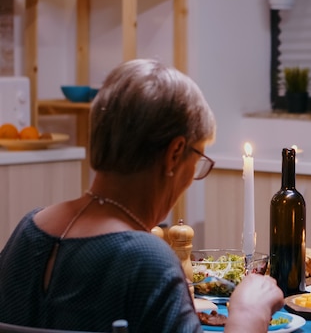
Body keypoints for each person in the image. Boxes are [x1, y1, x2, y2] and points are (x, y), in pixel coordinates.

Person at [0, 59, 284, 332]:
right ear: (174, 154)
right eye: (196, 158)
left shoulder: (27, 231)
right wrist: (249, 313)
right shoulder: (146, 259)